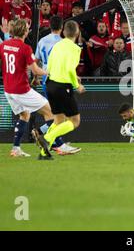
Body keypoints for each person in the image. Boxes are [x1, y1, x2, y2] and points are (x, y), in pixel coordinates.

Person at [0, 19, 55, 158]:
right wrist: (48, 71)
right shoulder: (25, 48)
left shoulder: (4, 45)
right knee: (51, 113)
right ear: (25, 32)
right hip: (21, 90)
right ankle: (53, 142)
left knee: (25, 115)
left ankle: (16, 148)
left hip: (8, 90)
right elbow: (36, 70)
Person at [33, 20, 86, 160]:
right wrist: (77, 85)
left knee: (58, 120)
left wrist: (73, 77)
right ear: (77, 32)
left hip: (50, 84)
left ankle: (44, 153)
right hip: (63, 86)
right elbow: (69, 69)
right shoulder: (75, 48)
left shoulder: (57, 45)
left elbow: (49, 66)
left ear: (64, 32)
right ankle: (47, 137)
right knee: (75, 121)